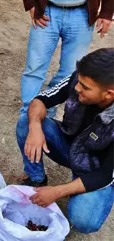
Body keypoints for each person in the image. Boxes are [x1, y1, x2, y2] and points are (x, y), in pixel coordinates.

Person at [16, 48, 114, 233]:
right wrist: (35, 127)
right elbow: (41, 99)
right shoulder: (79, 79)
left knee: (84, 220)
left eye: (85, 87)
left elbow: (105, 175)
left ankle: (80, 195)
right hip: (70, 146)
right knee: (26, 123)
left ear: (109, 94)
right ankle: (37, 179)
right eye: (79, 82)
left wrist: (58, 191)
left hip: (95, 170)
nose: (78, 88)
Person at [20, 0, 114, 115]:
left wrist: (107, 12)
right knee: (34, 68)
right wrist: (30, 3)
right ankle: (27, 114)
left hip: (82, 13)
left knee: (70, 72)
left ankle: (47, 110)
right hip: (46, 9)